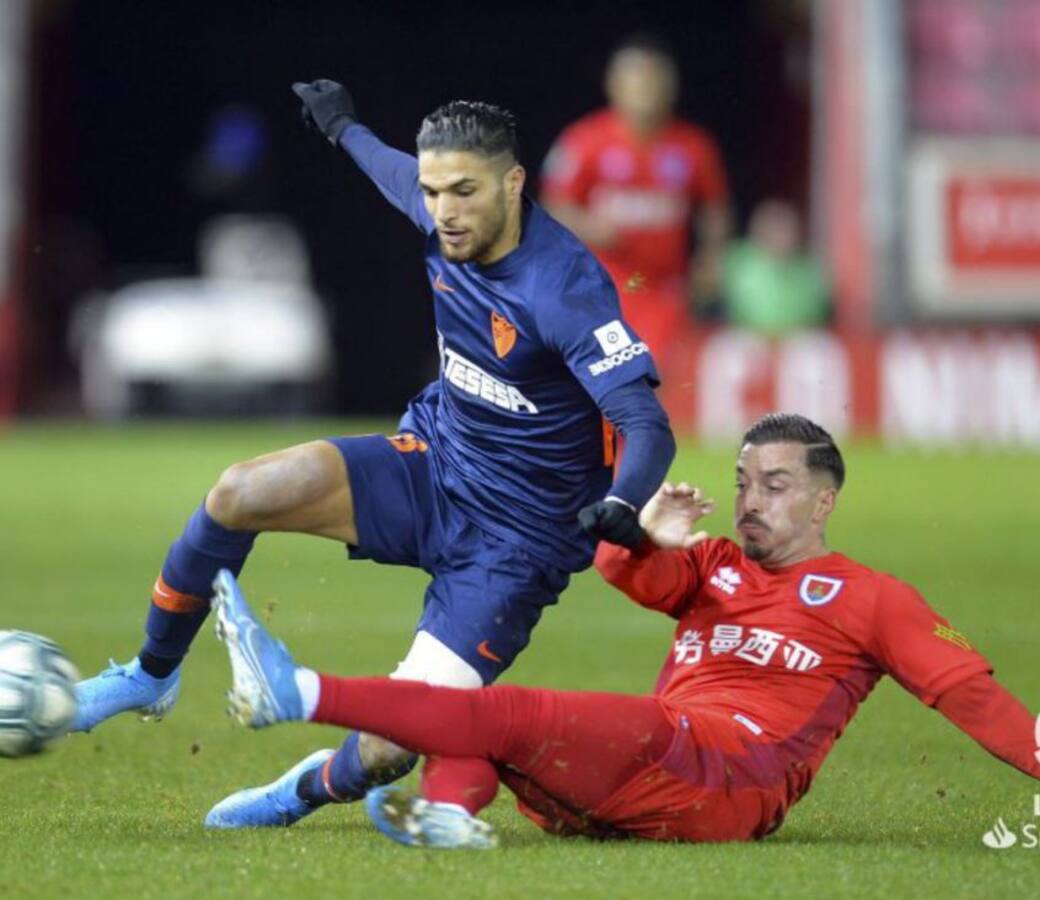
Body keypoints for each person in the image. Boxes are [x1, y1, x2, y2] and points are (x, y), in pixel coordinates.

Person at [68, 79, 676, 830]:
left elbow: (646, 423)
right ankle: (149, 675)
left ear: (514, 183)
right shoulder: (436, 210)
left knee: (391, 747)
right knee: (239, 491)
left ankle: (304, 790)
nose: (445, 211)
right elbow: (387, 167)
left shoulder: (565, 290)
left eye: (465, 191)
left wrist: (624, 498)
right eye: (434, 192)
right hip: (435, 464)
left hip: (517, 542)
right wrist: (342, 126)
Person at [210, 413, 1040, 847]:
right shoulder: (713, 567)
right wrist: (640, 532)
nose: (752, 502)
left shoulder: (875, 598)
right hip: (652, 772)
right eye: (745, 483)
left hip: (729, 776)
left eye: (778, 486)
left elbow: (966, 692)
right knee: (491, 731)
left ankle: (298, 693)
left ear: (827, 498)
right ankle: (450, 818)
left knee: (494, 714)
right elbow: (632, 573)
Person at [541, 34, 732, 370]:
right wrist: (589, 226)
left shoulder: (693, 147)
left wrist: (712, 256)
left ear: (670, 86)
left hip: (664, 290)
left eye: (654, 79)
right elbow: (553, 205)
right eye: (637, 79)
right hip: (599, 288)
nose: (646, 88)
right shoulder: (585, 141)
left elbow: (715, 209)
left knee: (653, 377)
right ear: (614, 84)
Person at [723, 199, 828, 333]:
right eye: (775, 230)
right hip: (747, 337)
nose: (782, 237)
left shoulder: (808, 270)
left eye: (786, 230)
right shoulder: (737, 262)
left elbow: (816, 311)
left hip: (798, 339)